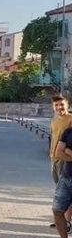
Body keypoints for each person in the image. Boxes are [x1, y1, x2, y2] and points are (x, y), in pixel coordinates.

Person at [49, 95, 72, 230]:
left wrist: (68, 153)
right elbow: (53, 138)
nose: (59, 107)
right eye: (56, 105)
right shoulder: (54, 120)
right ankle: (60, 219)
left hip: (65, 160)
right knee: (59, 190)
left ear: (67, 105)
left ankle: (67, 221)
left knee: (67, 191)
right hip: (54, 159)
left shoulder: (71, 119)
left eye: (62, 104)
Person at [51, 121, 72, 238]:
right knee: (57, 210)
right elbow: (59, 152)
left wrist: (69, 151)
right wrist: (66, 152)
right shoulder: (68, 132)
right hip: (66, 178)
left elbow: (64, 150)